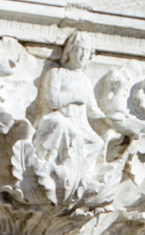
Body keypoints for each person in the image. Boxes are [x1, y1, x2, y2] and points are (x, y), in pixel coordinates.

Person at [32, 30, 106, 168]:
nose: (83, 55)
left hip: (80, 125)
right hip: (59, 120)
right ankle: (48, 164)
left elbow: (92, 109)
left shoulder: (85, 80)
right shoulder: (57, 73)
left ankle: (77, 168)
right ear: (69, 51)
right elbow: (53, 100)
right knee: (60, 124)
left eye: (87, 51)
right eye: (79, 49)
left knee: (98, 143)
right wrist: (75, 96)